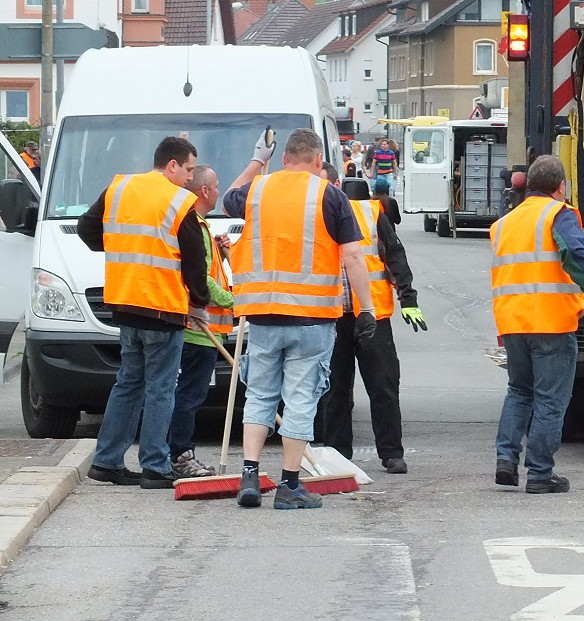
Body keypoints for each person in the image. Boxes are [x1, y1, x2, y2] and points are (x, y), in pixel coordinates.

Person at [224, 129, 377, 510]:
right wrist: (366, 308)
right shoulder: (329, 195)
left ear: (285, 158)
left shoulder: (257, 190)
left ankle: (249, 475)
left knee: (259, 395)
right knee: (300, 400)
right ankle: (290, 484)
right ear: (318, 161)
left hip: (262, 315)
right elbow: (354, 258)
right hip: (310, 319)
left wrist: (258, 159)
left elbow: (227, 199)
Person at [78, 136, 208, 489]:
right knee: (162, 388)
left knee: (128, 383)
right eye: (189, 169)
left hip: (124, 302)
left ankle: (106, 461)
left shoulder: (120, 187)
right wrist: (199, 301)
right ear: (172, 165)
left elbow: (86, 229)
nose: (190, 178)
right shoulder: (180, 201)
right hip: (163, 307)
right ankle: (154, 465)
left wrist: (122, 245)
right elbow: (195, 261)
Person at [491, 155, 584, 494]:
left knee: (519, 391)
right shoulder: (559, 214)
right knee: (550, 400)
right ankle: (540, 473)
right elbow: (574, 252)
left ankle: (506, 461)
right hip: (551, 322)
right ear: (561, 187)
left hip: (512, 321)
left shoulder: (504, 224)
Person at [320, 164, 425, 473]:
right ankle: (339, 454)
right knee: (337, 390)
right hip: (331, 314)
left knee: (380, 386)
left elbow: (393, 253)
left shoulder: (369, 213)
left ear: (336, 183)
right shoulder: (310, 213)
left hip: (371, 315)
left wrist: (409, 297)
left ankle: (390, 452)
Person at [168, 165, 234, 478]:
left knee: (184, 393)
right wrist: (236, 300)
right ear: (205, 191)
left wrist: (222, 255)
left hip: (204, 330)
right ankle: (181, 455)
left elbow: (207, 272)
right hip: (199, 332)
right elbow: (202, 283)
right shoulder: (194, 225)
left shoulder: (199, 226)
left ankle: (180, 452)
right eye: (217, 186)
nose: (219, 191)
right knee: (189, 396)